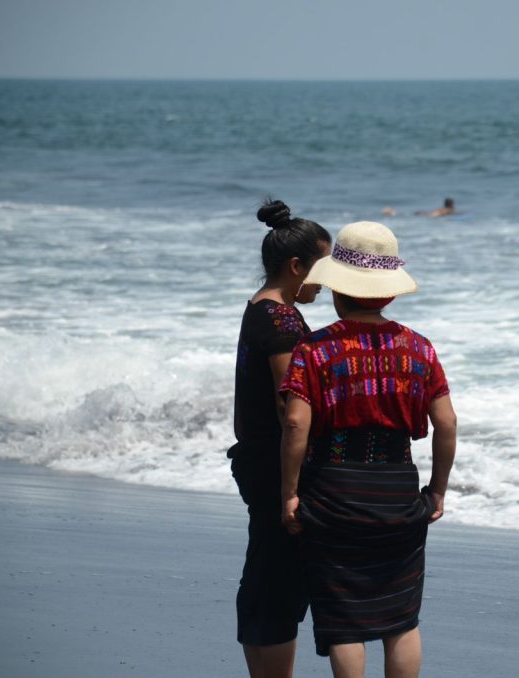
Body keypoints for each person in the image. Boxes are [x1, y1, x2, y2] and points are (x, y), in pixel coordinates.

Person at [279, 221, 458, 678]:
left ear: (337, 290)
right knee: (400, 619)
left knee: (345, 623)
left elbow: (297, 423)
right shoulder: (419, 349)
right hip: (397, 487)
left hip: (334, 487)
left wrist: (290, 494)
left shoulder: (314, 350)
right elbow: (446, 423)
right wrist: (437, 491)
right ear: (390, 293)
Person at [228, 199, 331, 678]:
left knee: (262, 574)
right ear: (295, 266)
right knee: (281, 583)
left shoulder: (259, 307)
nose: (326, 282)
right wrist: (296, 485)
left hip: (254, 455)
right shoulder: (284, 322)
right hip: (275, 462)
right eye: (321, 269)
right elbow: (290, 410)